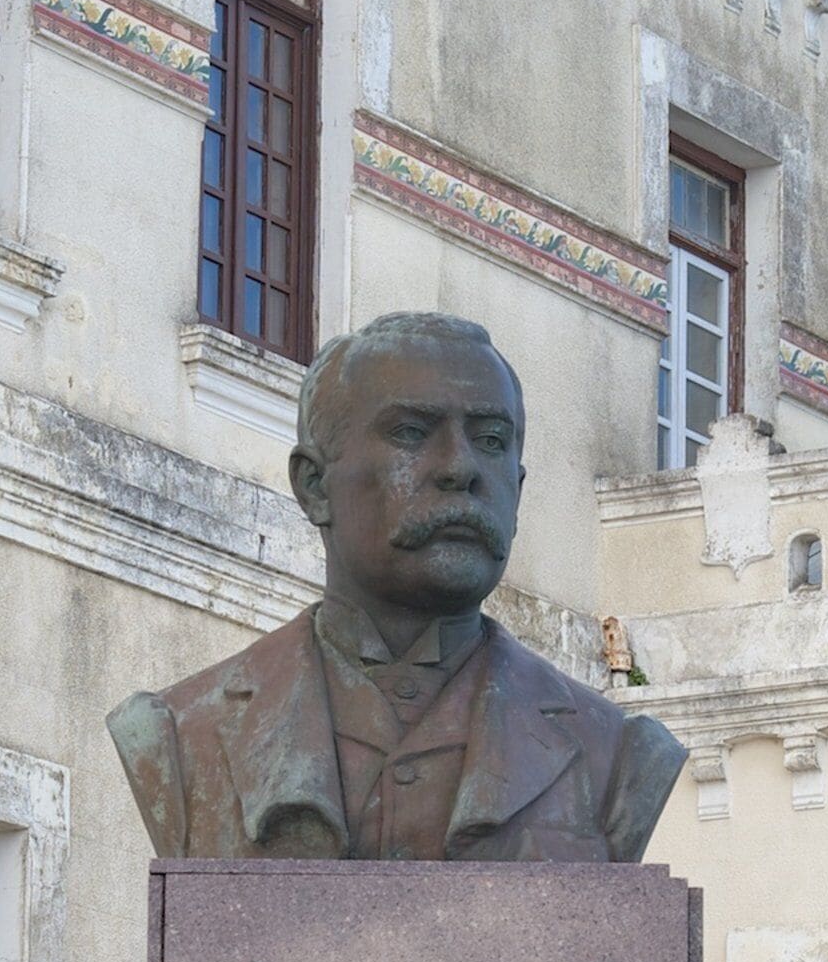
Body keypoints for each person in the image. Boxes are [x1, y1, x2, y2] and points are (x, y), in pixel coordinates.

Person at [109, 311, 687, 861]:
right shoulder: (179, 735)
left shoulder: (619, 759)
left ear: (518, 489)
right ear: (314, 486)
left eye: (490, 440)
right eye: (412, 432)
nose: (459, 468)